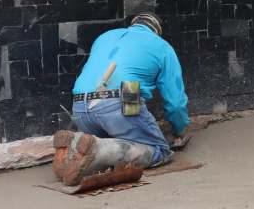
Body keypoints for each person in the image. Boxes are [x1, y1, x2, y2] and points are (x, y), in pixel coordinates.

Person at [53, 13, 190, 186]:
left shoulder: (105, 37)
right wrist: (179, 129)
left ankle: (73, 149)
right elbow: (176, 104)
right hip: (124, 94)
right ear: (156, 30)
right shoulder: (162, 47)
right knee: (160, 150)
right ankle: (98, 150)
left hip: (80, 103)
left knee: (108, 138)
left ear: (133, 24)